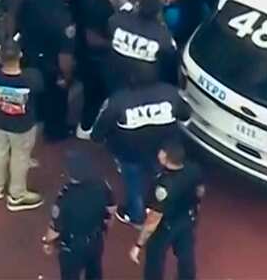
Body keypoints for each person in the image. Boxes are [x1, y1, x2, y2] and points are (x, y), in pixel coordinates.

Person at [93, 68, 191, 227]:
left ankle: (137, 216)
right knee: (159, 178)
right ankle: (159, 207)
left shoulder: (119, 100)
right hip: (161, 151)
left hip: (130, 153)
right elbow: (186, 115)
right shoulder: (170, 93)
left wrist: (99, 139)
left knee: (134, 185)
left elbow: (101, 127)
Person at [129, 139, 202, 280]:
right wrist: (196, 208)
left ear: (165, 156)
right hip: (187, 219)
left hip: (165, 227)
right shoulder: (193, 169)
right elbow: (200, 190)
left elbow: (154, 219)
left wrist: (138, 244)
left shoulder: (164, 186)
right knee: (186, 256)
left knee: (154, 261)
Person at [18, 0, 78, 141]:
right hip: (51, 63)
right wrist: (66, 76)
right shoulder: (63, 19)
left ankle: (39, 115)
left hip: (29, 51)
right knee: (56, 98)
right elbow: (65, 56)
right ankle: (55, 132)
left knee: (37, 93)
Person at [0, 41, 45, 210]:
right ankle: (16, 195)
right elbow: (40, 90)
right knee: (20, 157)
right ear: (20, 55)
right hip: (21, 125)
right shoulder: (31, 77)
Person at [44, 148, 116, 280]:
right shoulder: (101, 185)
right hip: (95, 239)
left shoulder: (65, 198)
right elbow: (111, 209)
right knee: (95, 271)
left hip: (73, 246)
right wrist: (105, 228)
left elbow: (55, 228)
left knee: (70, 275)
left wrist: (48, 242)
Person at [74, 0, 120, 139]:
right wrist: (116, 43)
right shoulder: (98, 7)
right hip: (93, 60)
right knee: (94, 95)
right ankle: (85, 128)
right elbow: (92, 39)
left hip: (87, 55)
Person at [106, 0, 178, 91]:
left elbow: (115, 17)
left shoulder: (118, 21)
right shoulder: (163, 36)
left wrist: (131, 2)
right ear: (158, 13)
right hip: (144, 86)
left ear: (138, 6)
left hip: (113, 78)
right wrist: (162, 23)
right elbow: (172, 54)